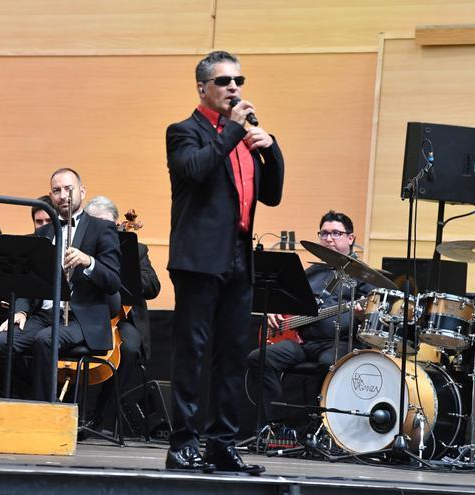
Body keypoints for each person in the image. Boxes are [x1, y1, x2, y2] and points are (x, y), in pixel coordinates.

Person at [165, 50, 284, 473]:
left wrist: (272, 149)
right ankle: (183, 443)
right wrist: (233, 130)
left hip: (238, 257)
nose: (234, 87)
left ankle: (221, 443)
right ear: (202, 88)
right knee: (192, 353)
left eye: (239, 80)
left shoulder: (243, 139)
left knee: (232, 355)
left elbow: (271, 195)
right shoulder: (183, 132)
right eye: (224, 81)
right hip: (199, 259)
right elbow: (196, 170)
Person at [0, 168, 121, 401]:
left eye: (69, 189)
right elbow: (28, 279)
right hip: (44, 315)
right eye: (57, 191)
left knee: (45, 340)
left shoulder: (101, 229)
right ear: (51, 196)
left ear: (82, 191)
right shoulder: (44, 232)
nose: (63, 195)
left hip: (81, 318)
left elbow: (113, 281)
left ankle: (44, 409)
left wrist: (89, 262)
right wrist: (20, 311)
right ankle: (25, 397)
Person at [247, 211, 372, 436]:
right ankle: (278, 426)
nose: (329, 238)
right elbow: (288, 299)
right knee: (259, 357)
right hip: (302, 342)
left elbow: (374, 312)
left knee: (329, 363)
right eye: (324, 233)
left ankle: (323, 430)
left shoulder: (364, 276)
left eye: (336, 233)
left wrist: (363, 314)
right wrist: (274, 311)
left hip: (339, 343)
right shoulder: (312, 272)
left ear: (350, 238)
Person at [83, 195, 161, 431]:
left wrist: (125, 272)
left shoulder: (136, 250)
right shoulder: (81, 248)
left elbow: (153, 286)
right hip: (85, 313)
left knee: (128, 348)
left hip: (121, 320)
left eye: (108, 225)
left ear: (117, 224)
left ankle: (101, 419)